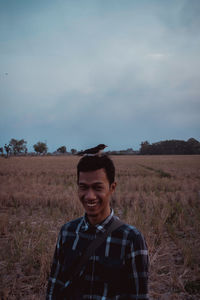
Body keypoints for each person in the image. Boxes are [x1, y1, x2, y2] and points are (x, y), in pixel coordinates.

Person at [46, 155, 149, 299]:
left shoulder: (131, 239)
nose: (89, 196)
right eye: (83, 187)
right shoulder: (67, 232)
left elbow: (139, 296)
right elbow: (54, 286)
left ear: (112, 188)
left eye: (97, 187)